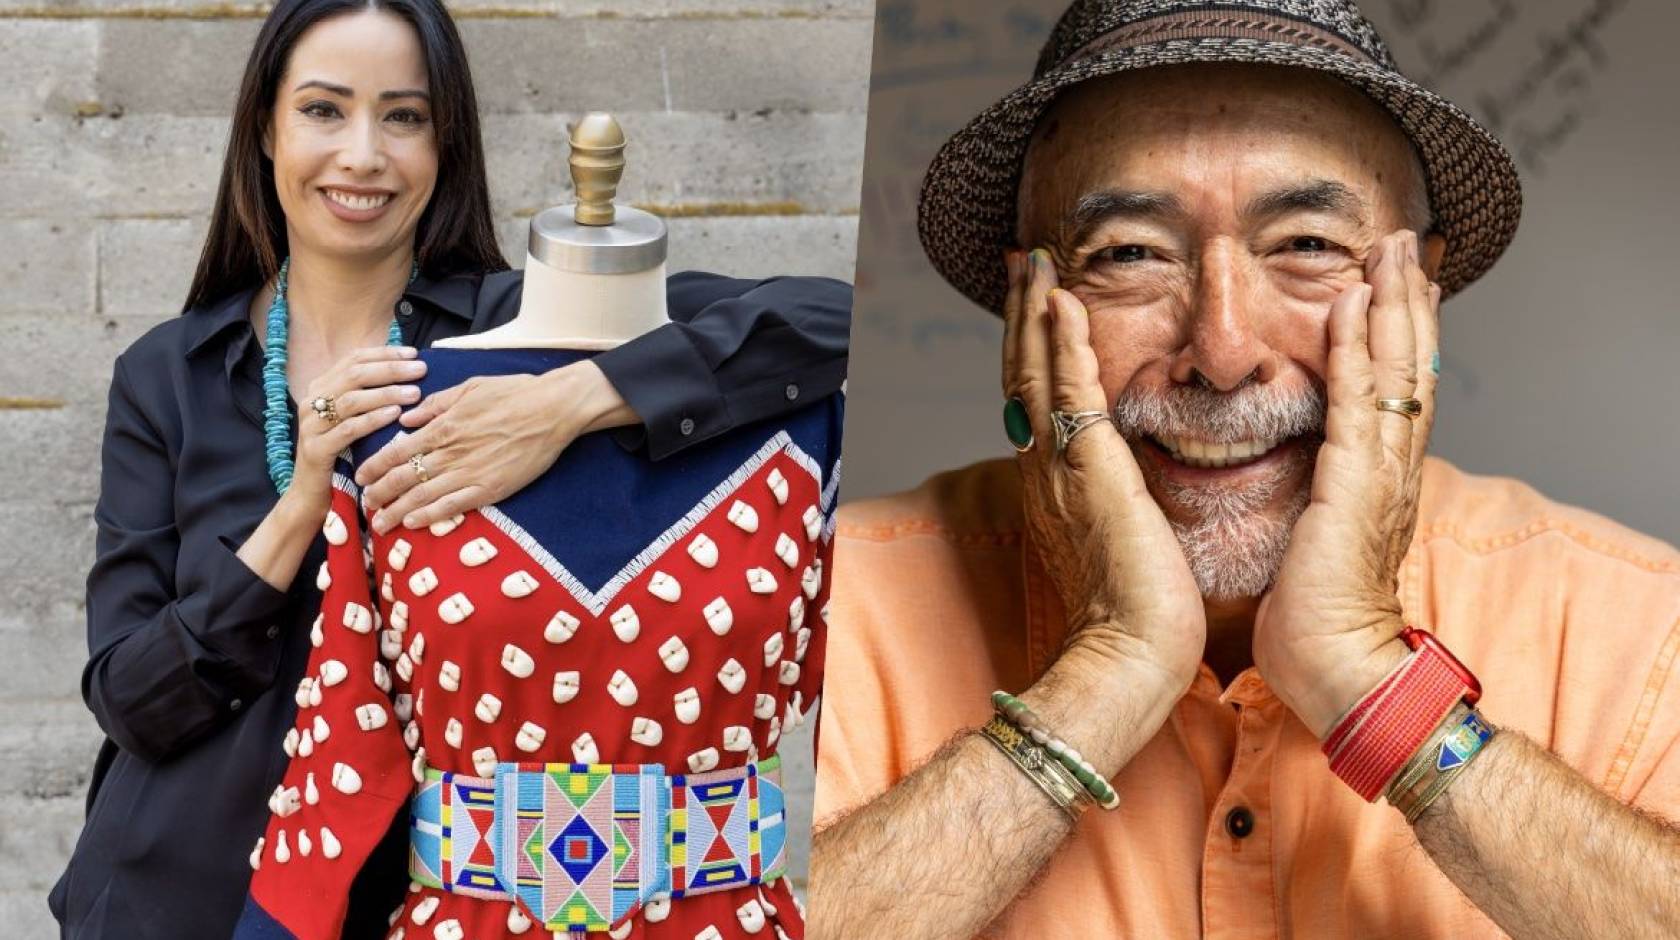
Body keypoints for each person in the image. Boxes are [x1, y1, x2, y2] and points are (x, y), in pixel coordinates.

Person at [808, 1, 1680, 938]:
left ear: (1418, 295)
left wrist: (1373, 681)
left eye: (1305, 245)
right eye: (1131, 254)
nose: (1222, 351)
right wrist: (1108, 669)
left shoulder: (1639, 623)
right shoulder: (809, 607)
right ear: (1033, 308)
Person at [49, 1, 848, 937]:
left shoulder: (520, 335)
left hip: (412, 900)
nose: (362, 154)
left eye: (404, 116)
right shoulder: (167, 375)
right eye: (322, 110)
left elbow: (827, 321)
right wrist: (304, 502)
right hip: (170, 894)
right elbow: (132, 699)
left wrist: (573, 398)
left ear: (446, 144)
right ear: (264, 128)